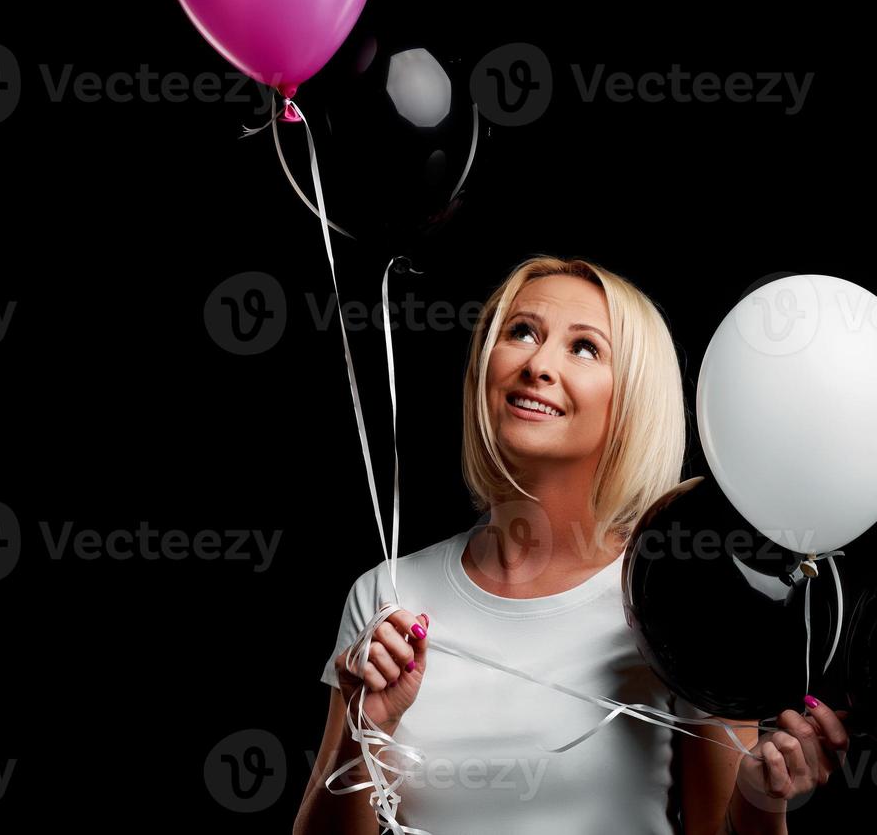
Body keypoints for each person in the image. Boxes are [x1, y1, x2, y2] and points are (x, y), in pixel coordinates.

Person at [293, 256, 848, 835]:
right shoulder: (387, 594)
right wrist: (368, 728)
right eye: (521, 332)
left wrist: (763, 799)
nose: (537, 365)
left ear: (631, 398)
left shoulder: (683, 590)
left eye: (585, 348)